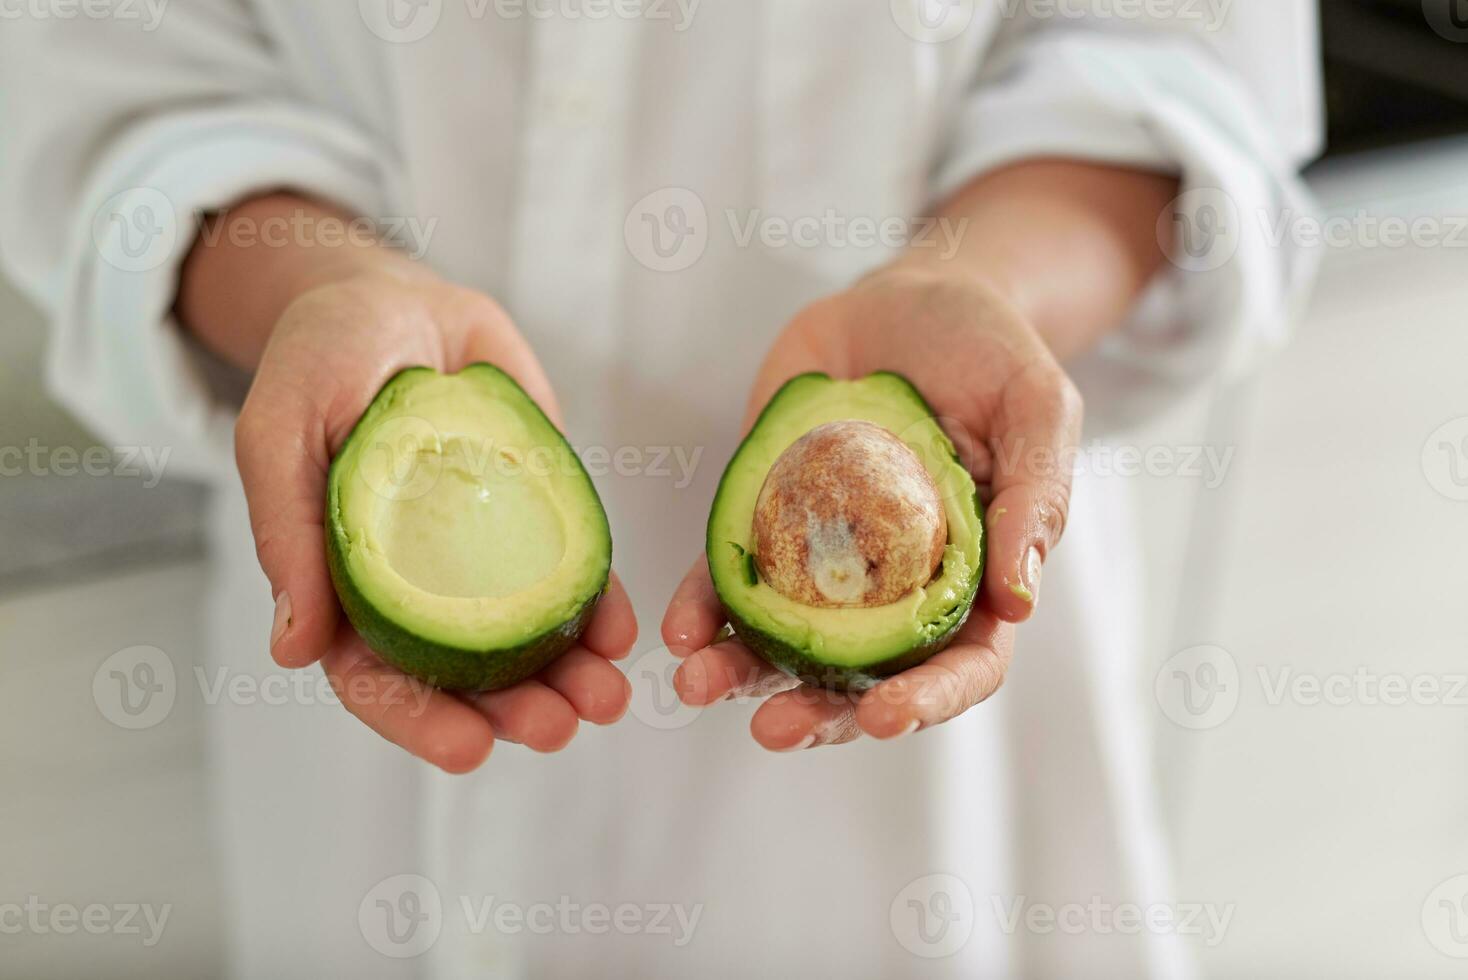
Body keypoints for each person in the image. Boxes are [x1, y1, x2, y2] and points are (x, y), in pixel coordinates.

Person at [0, 3, 1320, 976]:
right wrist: (320, 290)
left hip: (922, 820)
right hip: (382, 784)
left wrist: (981, 288)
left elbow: (1180, 70)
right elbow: (118, 91)